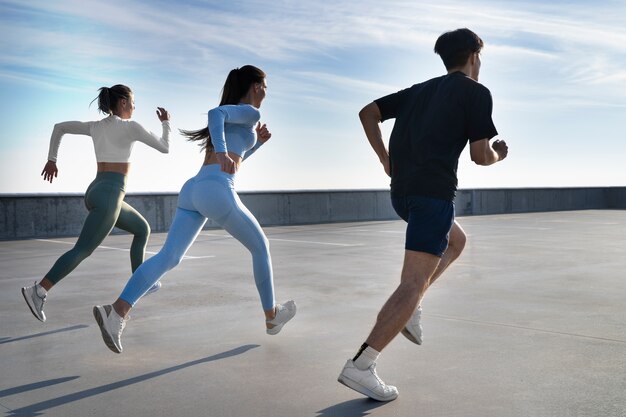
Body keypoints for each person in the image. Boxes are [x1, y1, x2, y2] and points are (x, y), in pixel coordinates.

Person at [338, 28, 509, 401]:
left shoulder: (419, 89)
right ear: (475, 56)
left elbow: (368, 113)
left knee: (457, 241)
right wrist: (500, 154)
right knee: (411, 283)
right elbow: (481, 156)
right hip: (432, 196)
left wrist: (386, 159)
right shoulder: (476, 93)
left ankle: (411, 308)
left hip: (401, 194)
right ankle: (362, 365)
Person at [93, 65, 296, 354]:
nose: (266, 91)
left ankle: (116, 311)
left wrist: (256, 144)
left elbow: (234, 160)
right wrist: (224, 150)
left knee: (169, 257)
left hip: (194, 189)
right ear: (254, 87)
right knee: (260, 246)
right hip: (216, 188)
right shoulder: (249, 112)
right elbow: (216, 116)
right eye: (264, 85)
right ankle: (272, 317)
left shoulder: (241, 119)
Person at [21, 85, 170, 322]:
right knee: (82, 250)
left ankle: (141, 281)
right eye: (133, 102)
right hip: (111, 193)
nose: (134, 106)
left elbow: (59, 127)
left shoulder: (96, 126)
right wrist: (165, 123)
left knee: (142, 229)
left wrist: (52, 160)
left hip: (96, 190)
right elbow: (165, 148)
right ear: (122, 103)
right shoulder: (130, 127)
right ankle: (39, 291)